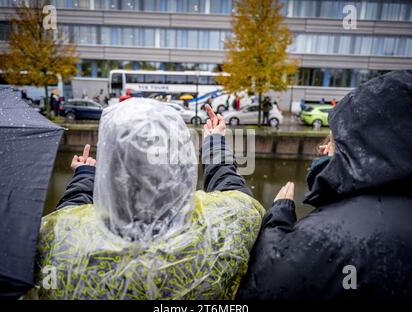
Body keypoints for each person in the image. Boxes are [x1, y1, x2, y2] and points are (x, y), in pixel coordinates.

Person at [30, 100, 265, 300]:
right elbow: (231, 188)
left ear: (110, 169)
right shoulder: (228, 227)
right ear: (181, 166)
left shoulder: (56, 240)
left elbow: (70, 215)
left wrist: (84, 175)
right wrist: (214, 142)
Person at [236, 70, 412, 300]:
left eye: (333, 141)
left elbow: (265, 287)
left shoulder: (328, 236)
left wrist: (277, 220)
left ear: (364, 144)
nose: (324, 149)